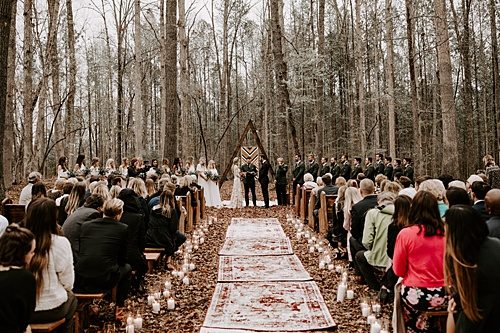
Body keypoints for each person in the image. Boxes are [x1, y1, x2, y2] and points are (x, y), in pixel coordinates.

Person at [393, 191, 448, 332]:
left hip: (416, 293)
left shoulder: (406, 234)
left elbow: (398, 270)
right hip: (445, 292)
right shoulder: (447, 232)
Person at [23, 198, 77, 333]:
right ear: (54, 217)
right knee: (72, 299)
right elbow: (68, 283)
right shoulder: (60, 243)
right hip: (52, 308)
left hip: (22, 308)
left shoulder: (19, 242)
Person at [445, 205, 500, 333]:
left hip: (475, 319)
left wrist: (450, 313)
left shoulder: (462, 260)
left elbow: (456, 308)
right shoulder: (495, 244)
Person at [75, 198, 131, 314]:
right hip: (104, 277)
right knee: (127, 268)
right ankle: (119, 306)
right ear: (119, 213)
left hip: (82, 275)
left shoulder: (86, 226)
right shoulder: (122, 228)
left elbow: (82, 250)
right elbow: (122, 259)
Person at [355, 191, 396, 291]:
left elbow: (366, 241)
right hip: (396, 260)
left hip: (379, 259)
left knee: (360, 256)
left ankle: (374, 287)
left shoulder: (373, 213)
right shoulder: (402, 213)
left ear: (379, 201)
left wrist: (374, 248)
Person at [0, 223, 36, 333]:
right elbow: (24, 321)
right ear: (22, 254)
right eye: (32, 251)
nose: (33, 255)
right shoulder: (24, 278)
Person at [379, 194, 412, 304]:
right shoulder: (415, 225)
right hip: (406, 258)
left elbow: (390, 250)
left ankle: (386, 287)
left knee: (395, 265)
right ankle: (387, 287)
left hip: (400, 259)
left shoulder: (394, 226)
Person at [117, 189, 147, 290]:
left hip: (117, 253)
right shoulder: (138, 217)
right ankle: (138, 282)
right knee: (142, 265)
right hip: (131, 253)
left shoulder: (117, 215)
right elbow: (141, 240)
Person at [62, 194, 104, 264]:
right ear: (99, 207)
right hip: (74, 249)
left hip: (66, 244)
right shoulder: (93, 213)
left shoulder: (80, 209)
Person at [146, 190, 186, 257]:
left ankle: (165, 255)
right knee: (181, 238)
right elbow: (173, 229)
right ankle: (168, 258)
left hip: (150, 237)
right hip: (164, 240)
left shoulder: (153, 209)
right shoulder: (172, 211)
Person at [349, 179, 378, 269]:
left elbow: (354, 231)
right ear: (374, 189)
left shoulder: (357, 207)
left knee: (352, 239)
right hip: (383, 239)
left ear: (360, 191)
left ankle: (358, 271)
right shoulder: (381, 202)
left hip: (365, 240)